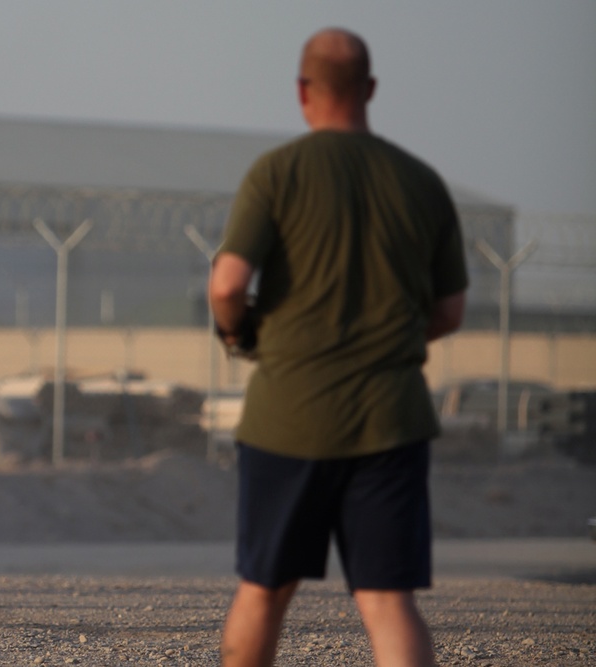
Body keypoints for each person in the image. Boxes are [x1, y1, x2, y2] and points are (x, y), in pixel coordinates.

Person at [209, 28, 467, 667]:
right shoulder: (421, 182)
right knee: (387, 601)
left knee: (264, 591)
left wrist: (240, 333)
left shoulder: (277, 173)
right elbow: (449, 310)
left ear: (303, 91)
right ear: (371, 89)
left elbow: (228, 285)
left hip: (287, 419)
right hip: (390, 419)